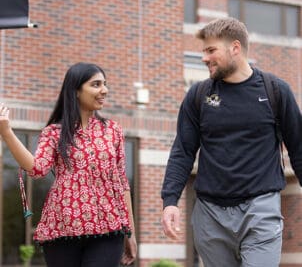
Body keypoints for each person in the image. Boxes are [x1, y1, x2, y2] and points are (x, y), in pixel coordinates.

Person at [161, 17, 302, 267]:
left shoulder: (276, 91)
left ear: (235, 48)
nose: (204, 58)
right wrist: (170, 201)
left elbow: (299, 148)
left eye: (211, 50)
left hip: (260, 210)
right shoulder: (198, 95)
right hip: (210, 215)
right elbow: (182, 151)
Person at [0, 62, 137, 267]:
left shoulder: (113, 131)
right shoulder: (54, 132)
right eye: (96, 84)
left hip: (108, 227)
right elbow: (37, 169)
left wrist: (130, 233)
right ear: (76, 91)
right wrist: (7, 132)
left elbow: (121, 183)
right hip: (62, 228)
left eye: (105, 84)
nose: (104, 90)